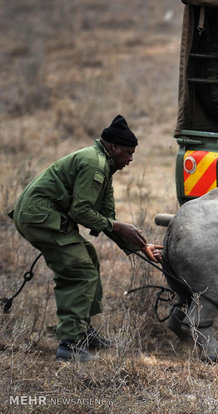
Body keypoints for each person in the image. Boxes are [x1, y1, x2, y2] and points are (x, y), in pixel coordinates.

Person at [10, 114, 163, 362]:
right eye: (128, 153)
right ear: (113, 147)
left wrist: (141, 247)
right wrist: (117, 226)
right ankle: (70, 344)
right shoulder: (95, 164)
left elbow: (107, 217)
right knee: (79, 269)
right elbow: (81, 212)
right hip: (39, 217)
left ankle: (82, 331)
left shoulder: (105, 165)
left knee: (88, 257)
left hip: (43, 216)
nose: (131, 159)